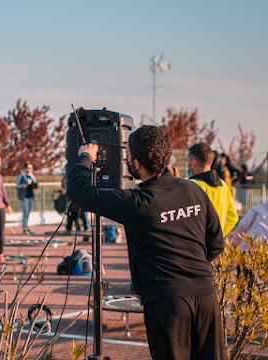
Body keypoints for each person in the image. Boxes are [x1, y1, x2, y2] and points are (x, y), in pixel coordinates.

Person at [67, 125, 225, 359]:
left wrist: (85, 157)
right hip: (206, 297)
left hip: (167, 303)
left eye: (128, 156)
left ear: (137, 163)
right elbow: (216, 243)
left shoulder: (139, 202)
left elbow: (79, 192)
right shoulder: (194, 190)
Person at [187, 143, 239, 237]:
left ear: (193, 163)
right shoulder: (223, 185)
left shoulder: (191, 185)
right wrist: (217, 237)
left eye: (187, 162)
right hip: (215, 246)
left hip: (196, 244)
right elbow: (233, 218)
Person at [61, 168, 89, 232]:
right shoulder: (68, 169)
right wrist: (66, 188)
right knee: (71, 211)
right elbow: (64, 179)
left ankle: (86, 227)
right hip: (72, 195)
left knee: (83, 211)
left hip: (81, 194)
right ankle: (70, 227)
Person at [16, 162, 38, 235]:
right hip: (24, 197)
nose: (29, 169)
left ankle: (26, 226)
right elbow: (17, 186)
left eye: (31, 168)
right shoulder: (22, 176)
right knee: (25, 212)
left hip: (30, 196)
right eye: (28, 168)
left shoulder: (32, 176)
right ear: (25, 168)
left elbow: (35, 185)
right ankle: (24, 228)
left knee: (28, 212)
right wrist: (24, 185)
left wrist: (36, 184)